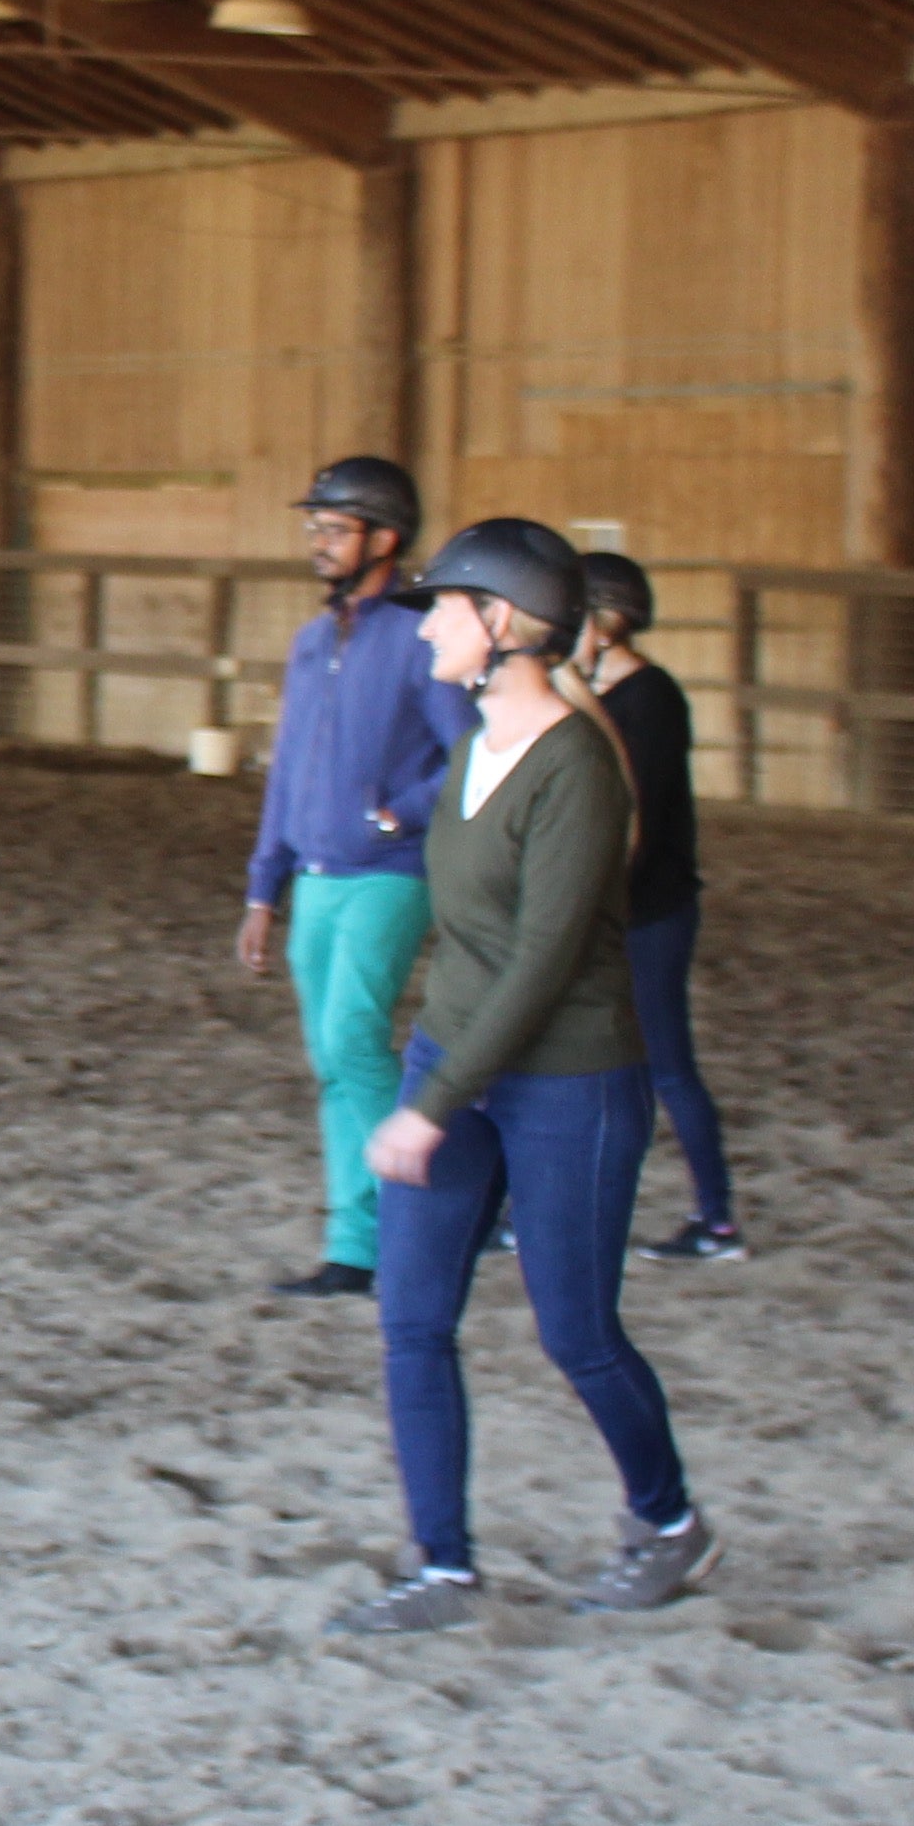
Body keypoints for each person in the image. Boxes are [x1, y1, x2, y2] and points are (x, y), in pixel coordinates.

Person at [330, 517, 718, 1635]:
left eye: (445, 608)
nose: (429, 626)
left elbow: (546, 962)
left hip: (569, 1082)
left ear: (501, 623)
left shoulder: (577, 770)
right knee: (411, 1319)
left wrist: (432, 1107)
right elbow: (471, 929)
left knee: (577, 1331)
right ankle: (442, 1568)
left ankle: (671, 1520)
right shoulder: (472, 748)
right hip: (457, 1059)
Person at [239, 454, 476, 1300]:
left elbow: (470, 752)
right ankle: (357, 1243)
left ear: (385, 537)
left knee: (349, 1039)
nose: (319, 542)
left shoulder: (420, 637)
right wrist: (264, 884)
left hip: (390, 873)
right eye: (315, 528)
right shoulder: (312, 644)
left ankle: (439, 1203)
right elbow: (286, 773)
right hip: (316, 873)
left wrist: (398, 814)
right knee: (332, 1061)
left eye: (334, 529)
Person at [573, 549, 743, 1264]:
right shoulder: (597, 695)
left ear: (609, 621)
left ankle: (718, 1220)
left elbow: (630, 814)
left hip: (647, 914)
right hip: (604, 911)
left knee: (668, 1064)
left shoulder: (651, 700)